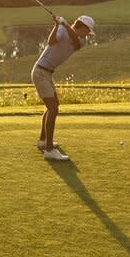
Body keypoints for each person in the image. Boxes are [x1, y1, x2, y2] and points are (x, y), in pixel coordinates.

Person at [32, 14, 95, 161]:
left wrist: (65, 25)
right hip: (40, 71)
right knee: (53, 108)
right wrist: (56, 25)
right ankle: (49, 149)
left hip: (47, 73)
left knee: (53, 107)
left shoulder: (81, 40)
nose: (88, 35)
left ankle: (43, 141)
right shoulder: (61, 29)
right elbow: (51, 42)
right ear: (82, 26)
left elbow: (76, 43)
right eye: (87, 31)